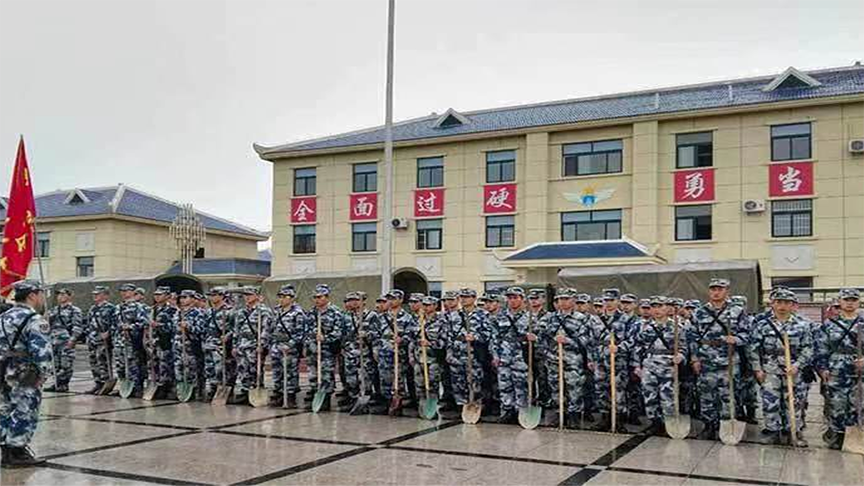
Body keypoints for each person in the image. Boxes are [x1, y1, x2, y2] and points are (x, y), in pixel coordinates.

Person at [749, 288, 814, 447]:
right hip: (770, 370)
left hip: (793, 371)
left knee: (794, 402)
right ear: (772, 304)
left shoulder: (802, 325)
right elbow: (753, 348)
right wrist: (757, 369)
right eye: (779, 302)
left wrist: (798, 365)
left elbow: (808, 348)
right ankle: (772, 431)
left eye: (787, 302)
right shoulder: (763, 325)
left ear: (793, 305)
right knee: (770, 402)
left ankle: (794, 431)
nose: (782, 306)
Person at [0, 281, 52, 468]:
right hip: (25, 372)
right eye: (41, 294)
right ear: (32, 295)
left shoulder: (4, 316)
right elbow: (42, 352)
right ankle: (17, 452)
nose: (43, 298)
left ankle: (5, 450)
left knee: (5, 409)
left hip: (3, 370)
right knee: (25, 410)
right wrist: (43, 375)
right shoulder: (34, 319)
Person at [687, 278, 747, 440]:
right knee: (706, 395)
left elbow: (747, 334)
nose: (716, 292)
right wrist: (694, 358)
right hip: (706, 360)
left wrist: (736, 339)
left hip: (728, 361)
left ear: (727, 291)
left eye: (720, 289)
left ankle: (726, 426)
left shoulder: (736, 311)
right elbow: (691, 337)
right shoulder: (699, 312)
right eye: (713, 289)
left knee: (728, 396)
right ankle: (709, 426)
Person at [632, 296, 688, 436]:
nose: (656, 310)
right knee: (649, 396)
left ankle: (669, 424)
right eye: (653, 307)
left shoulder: (676, 326)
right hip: (649, 365)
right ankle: (655, 423)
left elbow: (684, 347)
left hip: (668, 366)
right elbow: (638, 346)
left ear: (667, 307)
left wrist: (680, 356)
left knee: (668, 397)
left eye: (660, 306)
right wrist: (637, 365)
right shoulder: (645, 326)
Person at [815, 288, 864, 449]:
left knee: (858, 404)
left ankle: (856, 434)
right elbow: (821, 348)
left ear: (858, 302)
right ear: (840, 302)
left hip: (860, 370)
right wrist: (822, 369)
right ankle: (837, 435)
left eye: (853, 300)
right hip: (836, 368)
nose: (850, 303)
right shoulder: (829, 325)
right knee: (836, 404)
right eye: (846, 300)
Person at [543, 289, 595, 429]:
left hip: (572, 360)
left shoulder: (582, 318)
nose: (563, 302)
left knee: (574, 389)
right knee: (556, 388)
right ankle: (560, 414)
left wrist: (568, 341)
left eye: (566, 299)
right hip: (554, 359)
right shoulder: (550, 318)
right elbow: (541, 336)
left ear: (573, 300)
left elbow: (587, 340)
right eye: (560, 299)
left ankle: (574, 416)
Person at [592, 288, 633, 432]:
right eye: (605, 300)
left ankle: (619, 419)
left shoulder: (626, 319)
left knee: (618, 390)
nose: (608, 303)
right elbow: (591, 340)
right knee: (601, 389)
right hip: (600, 359)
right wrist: (592, 358)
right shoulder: (595, 319)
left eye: (611, 300)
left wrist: (620, 348)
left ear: (618, 301)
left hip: (618, 359)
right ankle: (605, 418)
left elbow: (632, 340)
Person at [490, 287, 531, 424]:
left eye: (515, 297)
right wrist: (495, 355)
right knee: (504, 385)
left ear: (522, 299)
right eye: (510, 298)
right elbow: (494, 338)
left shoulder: (530, 317)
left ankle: (521, 412)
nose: (512, 300)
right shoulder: (500, 317)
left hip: (521, 357)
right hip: (504, 356)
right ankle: (508, 411)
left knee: (521, 385)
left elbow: (539, 338)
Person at [371, 289, 413, 414]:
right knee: (385, 379)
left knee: (398, 380)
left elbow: (411, 335)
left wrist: (402, 339)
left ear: (400, 300)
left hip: (399, 355)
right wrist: (376, 349)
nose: (390, 301)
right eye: (389, 299)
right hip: (384, 353)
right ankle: (387, 402)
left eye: (393, 299)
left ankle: (398, 403)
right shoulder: (381, 317)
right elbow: (375, 334)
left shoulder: (407, 318)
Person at [229, 287, 273, 405]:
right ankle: (244, 392)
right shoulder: (241, 312)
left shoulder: (263, 311)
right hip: (242, 346)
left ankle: (255, 391)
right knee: (243, 369)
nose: (247, 297)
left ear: (257, 296)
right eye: (245, 295)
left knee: (255, 370)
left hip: (255, 346)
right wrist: (234, 345)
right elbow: (236, 330)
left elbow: (266, 329)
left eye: (249, 294)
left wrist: (262, 344)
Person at [304, 284, 344, 411]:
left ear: (327, 297)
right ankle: (315, 395)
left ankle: (325, 399)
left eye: (320, 297)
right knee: (313, 375)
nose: (317, 300)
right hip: (313, 349)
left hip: (326, 350)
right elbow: (306, 329)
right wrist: (309, 341)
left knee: (326, 375)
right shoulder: (312, 312)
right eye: (315, 297)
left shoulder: (335, 312)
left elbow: (338, 332)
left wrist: (325, 338)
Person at [265, 285, 305, 408]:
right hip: (276, 345)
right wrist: (268, 343)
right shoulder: (275, 311)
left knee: (290, 373)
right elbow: (269, 329)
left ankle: (290, 396)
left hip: (289, 348)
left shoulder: (298, 313)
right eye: (280, 297)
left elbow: (301, 333)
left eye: (284, 297)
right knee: (277, 372)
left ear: (292, 298)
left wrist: (290, 345)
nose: (281, 299)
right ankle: (278, 394)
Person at [44, 288, 83, 392]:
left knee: (66, 364)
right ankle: (56, 383)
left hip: (66, 341)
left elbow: (77, 326)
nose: (60, 296)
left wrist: (73, 339)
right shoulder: (53, 310)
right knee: (55, 364)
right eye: (59, 294)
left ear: (69, 296)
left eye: (63, 294)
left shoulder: (74, 310)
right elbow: (45, 324)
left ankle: (64, 384)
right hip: (53, 341)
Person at [117, 283, 150, 397]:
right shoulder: (119, 307)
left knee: (134, 365)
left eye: (126, 291)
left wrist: (130, 327)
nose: (124, 293)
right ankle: (124, 386)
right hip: (120, 341)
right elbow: (114, 324)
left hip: (133, 341)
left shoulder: (138, 307)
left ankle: (137, 388)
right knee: (121, 365)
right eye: (122, 291)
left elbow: (144, 323)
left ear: (133, 292)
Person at [84, 286, 119, 394]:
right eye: (94, 294)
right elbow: (89, 323)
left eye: (98, 294)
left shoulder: (111, 308)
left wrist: (108, 333)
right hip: (93, 339)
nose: (95, 296)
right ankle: (98, 383)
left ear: (105, 295)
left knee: (103, 362)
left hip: (103, 340)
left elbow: (115, 323)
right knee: (93, 362)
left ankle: (106, 382)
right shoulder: (93, 308)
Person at [202, 287, 233, 401]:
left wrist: (228, 336)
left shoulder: (229, 311)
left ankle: (224, 391)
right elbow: (204, 328)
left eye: (215, 295)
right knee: (210, 370)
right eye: (211, 295)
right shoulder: (209, 311)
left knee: (221, 370)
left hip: (221, 346)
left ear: (222, 296)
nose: (212, 297)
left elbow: (236, 328)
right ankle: (213, 389)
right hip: (209, 344)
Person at [150, 287, 178, 398]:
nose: (157, 297)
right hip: (154, 342)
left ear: (167, 296)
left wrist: (160, 325)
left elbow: (174, 326)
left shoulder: (172, 310)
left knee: (166, 365)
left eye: (160, 294)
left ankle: (168, 387)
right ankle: (158, 386)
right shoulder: (152, 309)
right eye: (155, 294)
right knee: (155, 365)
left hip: (166, 341)